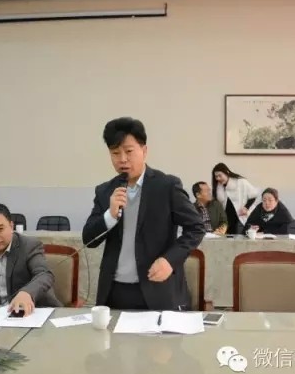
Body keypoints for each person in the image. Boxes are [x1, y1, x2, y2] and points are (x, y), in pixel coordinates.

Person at [82, 117, 204, 311]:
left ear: (144, 151)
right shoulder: (105, 191)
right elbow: (88, 240)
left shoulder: (166, 186)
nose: (122, 159)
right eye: (115, 153)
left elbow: (196, 227)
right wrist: (110, 215)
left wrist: (170, 260)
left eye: (129, 151)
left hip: (157, 289)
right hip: (114, 292)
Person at [0, 202, 62, 315]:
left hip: (34, 312)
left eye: (0, 229)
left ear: (11, 226)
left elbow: (44, 275)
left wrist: (27, 293)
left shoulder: (29, 246)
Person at [211, 163, 259, 235]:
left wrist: (246, 207)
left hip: (240, 218)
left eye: (220, 175)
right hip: (227, 220)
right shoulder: (219, 187)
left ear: (227, 172)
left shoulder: (241, 182)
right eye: (216, 176)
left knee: (239, 239)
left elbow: (254, 195)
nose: (218, 178)